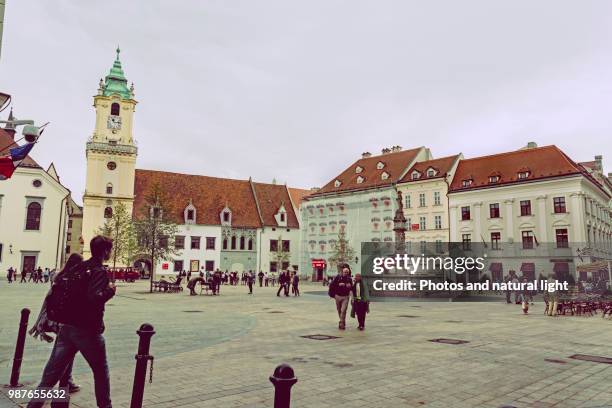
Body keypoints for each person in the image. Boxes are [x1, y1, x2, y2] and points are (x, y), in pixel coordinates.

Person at [27, 235, 116, 408]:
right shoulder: (98, 270)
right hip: (87, 330)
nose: (110, 253)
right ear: (105, 251)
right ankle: (105, 406)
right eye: (110, 250)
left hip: (66, 328)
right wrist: (110, 292)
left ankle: (34, 406)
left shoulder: (79, 267)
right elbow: (93, 298)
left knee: (50, 375)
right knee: (101, 371)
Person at [29, 254, 85, 395]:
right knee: (61, 356)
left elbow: (49, 299)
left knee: (64, 354)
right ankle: (52, 387)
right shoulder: (73, 279)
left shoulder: (59, 276)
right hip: (66, 323)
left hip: (57, 320)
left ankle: (64, 382)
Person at [330, 265, 353, 330]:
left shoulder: (349, 279)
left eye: (347, 272)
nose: (346, 273)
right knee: (339, 310)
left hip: (345, 297)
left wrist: (349, 286)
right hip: (337, 296)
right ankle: (342, 321)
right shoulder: (338, 277)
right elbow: (332, 285)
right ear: (342, 272)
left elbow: (351, 288)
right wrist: (338, 285)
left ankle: (341, 323)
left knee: (343, 310)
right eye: (345, 272)